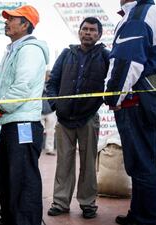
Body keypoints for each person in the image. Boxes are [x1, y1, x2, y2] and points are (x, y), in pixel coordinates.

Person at [0, 5, 49, 225]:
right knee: (7, 176)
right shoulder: (15, 49)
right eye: (7, 19)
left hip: (24, 124)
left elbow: (22, 87)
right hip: (13, 122)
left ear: (25, 25)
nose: (7, 22)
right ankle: (9, 219)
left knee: (23, 178)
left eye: (12, 19)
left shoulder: (29, 50)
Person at [104, 0, 156, 224]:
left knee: (142, 163)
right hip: (155, 100)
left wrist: (113, 96)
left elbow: (128, 61)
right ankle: (139, 214)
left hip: (137, 101)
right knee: (147, 159)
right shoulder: (155, 13)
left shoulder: (137, 17)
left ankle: (145, 219)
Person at [46, 17, 109, 219]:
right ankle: (61, 202)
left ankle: (88, 203)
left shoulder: (105, 56)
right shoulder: (67, 54)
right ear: (79, 32)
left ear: (99, 34)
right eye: (84, 29)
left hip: (88, 118)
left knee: (89, 163)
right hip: (64, 119)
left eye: (92, 30)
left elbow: (111, 83)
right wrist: (57, 105)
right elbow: (52, 82)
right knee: (63, 162)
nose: (87, 32)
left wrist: (96, 104)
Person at [41, 70, 56, 156]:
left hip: (50, 111)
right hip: (40, 111)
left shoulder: (52, 85)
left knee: (51, 132)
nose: (49, 77)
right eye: (48, 75)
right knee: (39, 131)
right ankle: (37, 148)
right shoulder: (40, 84)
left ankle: (49, 149)